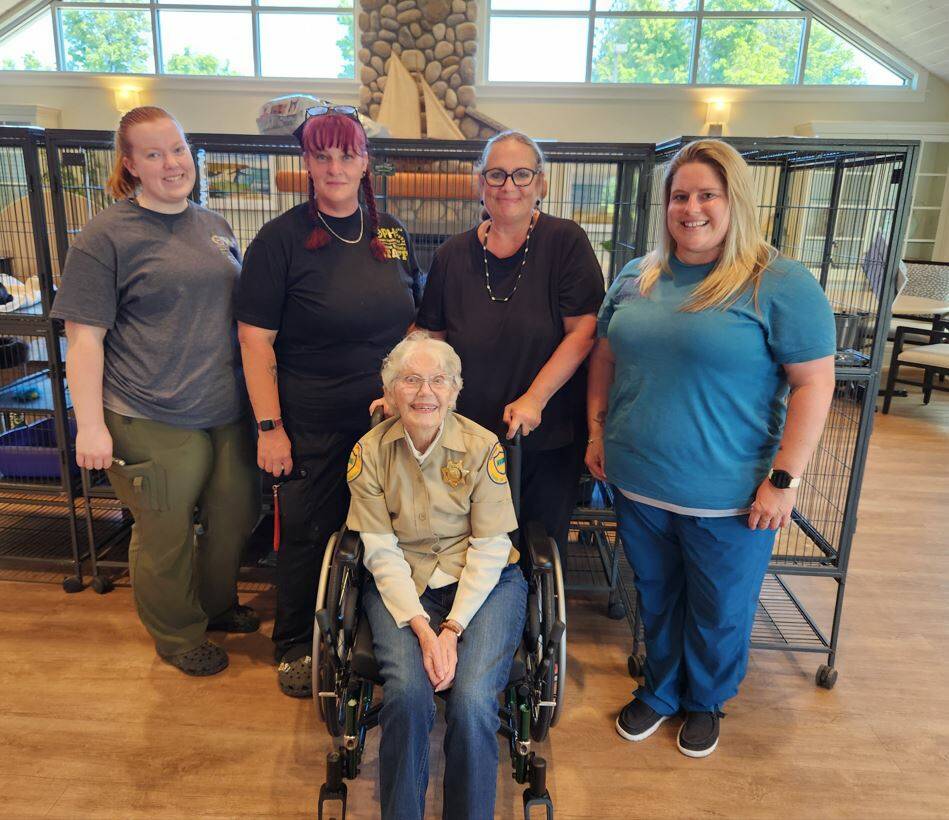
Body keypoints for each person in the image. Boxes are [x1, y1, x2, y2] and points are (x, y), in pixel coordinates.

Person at [586, 139, 837, 757]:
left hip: (728, 493)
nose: (690, 208)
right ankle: (663, 689)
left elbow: (814, 382)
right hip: (638, 478)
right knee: (656, 593)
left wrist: (784, 479)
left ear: (735, 202)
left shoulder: (778, 282)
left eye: (707, 195)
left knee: (720, 608)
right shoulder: (635, 274)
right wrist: (596, 430)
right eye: (680, 196)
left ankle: (706, 701)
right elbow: (606, 353)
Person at [51, 106, 260, 676]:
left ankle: (216, 606)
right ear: (130, 165)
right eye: (153, 153)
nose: (172, 163)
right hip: (148, 411)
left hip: (224, 408)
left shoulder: (214, 226)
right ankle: (177, 633)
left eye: (177, 149)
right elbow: (85, 340)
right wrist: (88, 425)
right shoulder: (105, 236)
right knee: (165, 530)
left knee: (234, 514)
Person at [236, 106, 422, 697]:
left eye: (347, 154)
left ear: (366, 162)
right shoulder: (280, 240)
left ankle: (367, 627)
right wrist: (270, 428)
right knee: (309, 531)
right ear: (307, 164)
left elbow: (414, 321)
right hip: (310, 420)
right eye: (323, 155)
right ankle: (294, 641)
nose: (335, 167)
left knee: (383, 529)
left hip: (385, 419)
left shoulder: (388, 230)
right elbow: (253, 338)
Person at [347, 331, 526, 820]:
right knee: (405, 693)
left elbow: (491, 550)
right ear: (389, 392)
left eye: (438, 381)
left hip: (484, 584)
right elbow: (380, 552)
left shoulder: (481, 446)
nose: (425, 392)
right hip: (403, 585)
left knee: (471, 700)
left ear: (454, 391)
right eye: (410, 380)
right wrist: (425, 630)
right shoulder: (369, 453)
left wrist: (452, 629)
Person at [414, 130, 604, 560]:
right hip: (465, 437)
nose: (508, 187)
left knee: (535, 552)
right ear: (478, 182)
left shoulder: (565, 242)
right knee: (468, 551)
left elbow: (584, 331)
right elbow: (433, 337)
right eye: (496, 175)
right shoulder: (451, 255)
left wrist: (534, 398)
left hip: (545, 435)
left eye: (522, 174)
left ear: (541, 184)